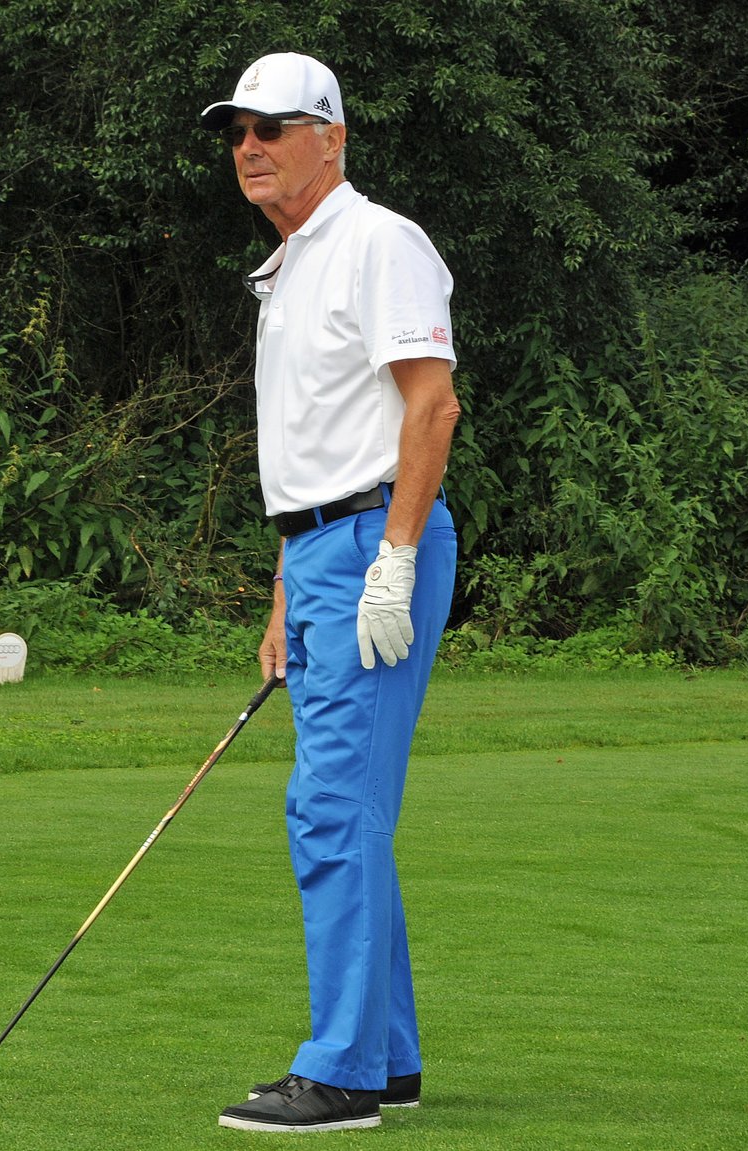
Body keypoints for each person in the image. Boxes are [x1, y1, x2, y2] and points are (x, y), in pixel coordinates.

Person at [201, 52, 462, 1134]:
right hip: (317, 550)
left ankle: (343, 1070)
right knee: (345, 807)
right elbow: (311, 447)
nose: (250, 145)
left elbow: (431, 406)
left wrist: (392, 557)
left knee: (330, 807)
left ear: (333, 137)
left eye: (274, 125)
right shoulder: (291, 264)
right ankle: (385, 1055)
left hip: (370, 543)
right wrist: (281, 594)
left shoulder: (376, 241)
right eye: (237, 130)